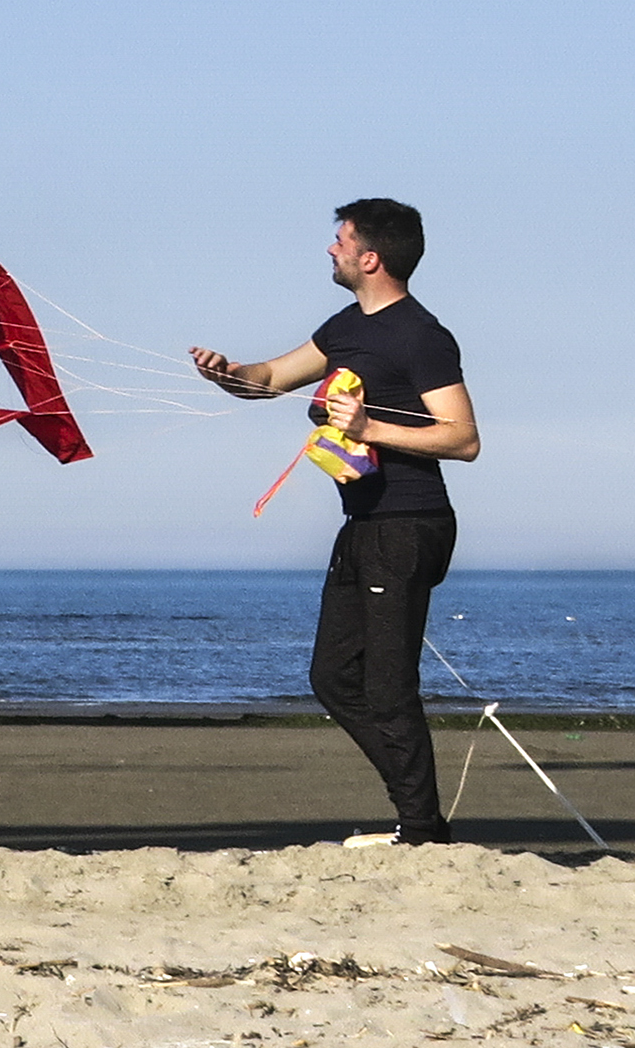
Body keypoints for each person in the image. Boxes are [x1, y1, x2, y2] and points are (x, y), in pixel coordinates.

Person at [191, 198, 482, 845]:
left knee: (387, 684)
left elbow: (463, 437)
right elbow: (268, 379)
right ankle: (423, 816)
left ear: (370, 256)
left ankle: (421, 828)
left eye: (340, 240)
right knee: (332, 676)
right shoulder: (346, 325)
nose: (331, 248)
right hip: (364, 522)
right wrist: (227, 373)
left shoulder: (422, 334)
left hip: (409, 524)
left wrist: (370, 425)